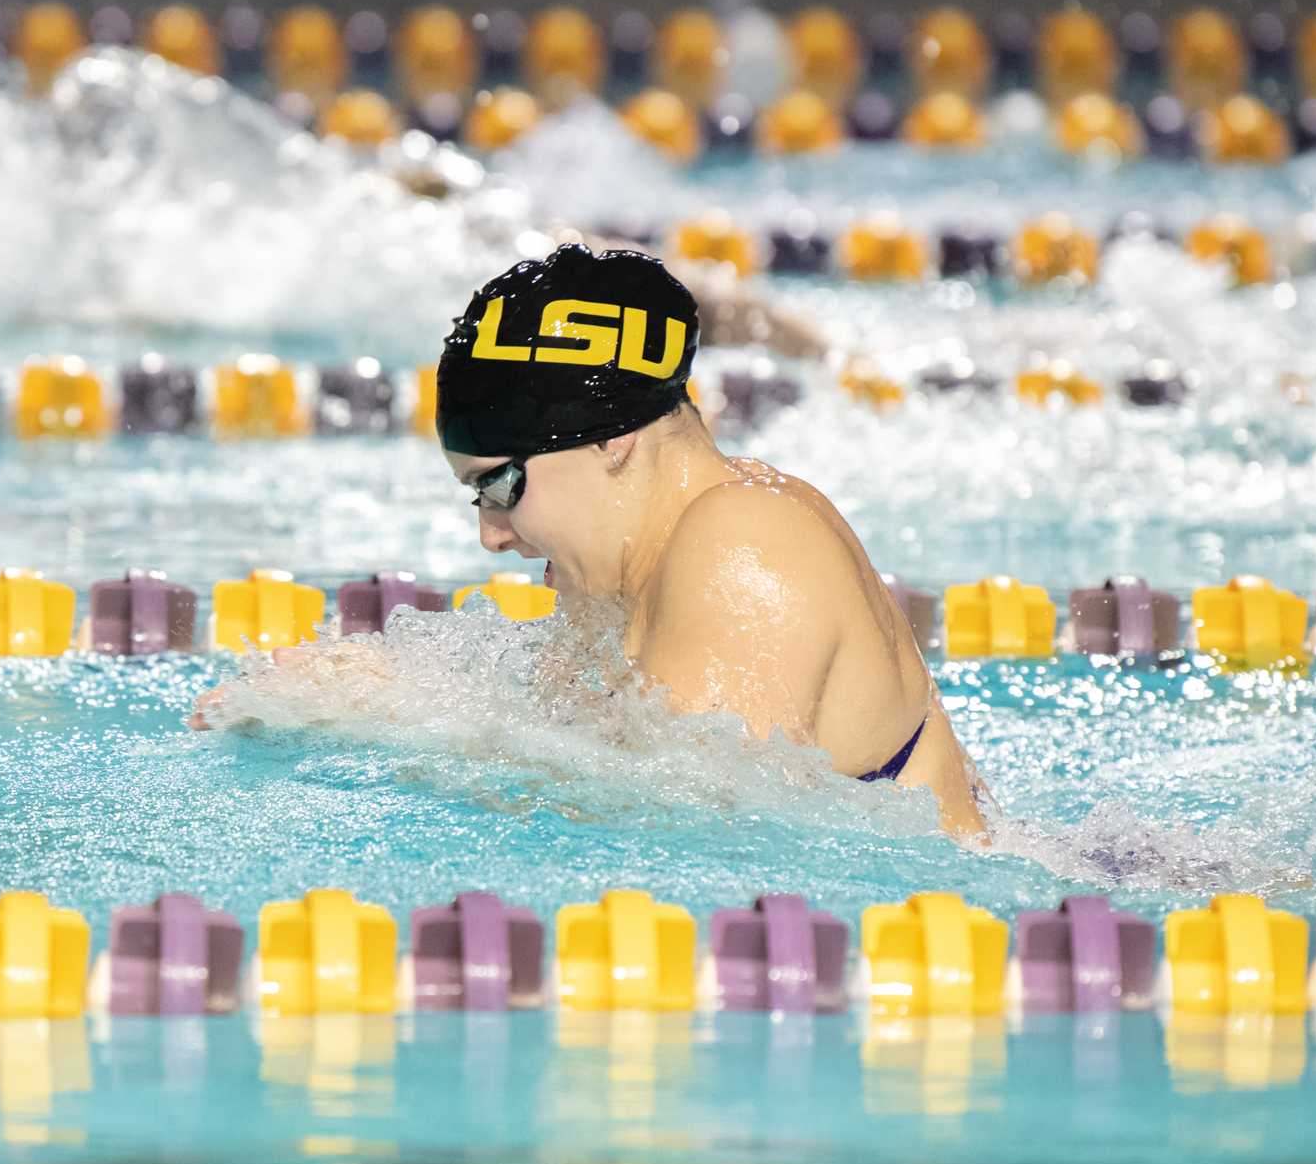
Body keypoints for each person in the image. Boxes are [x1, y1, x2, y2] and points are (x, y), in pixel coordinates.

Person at [196, 242, 989, 839]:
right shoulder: (630, 573)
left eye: (500, 485)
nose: (490, 533)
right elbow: (590, 749)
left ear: (609, 440)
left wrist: (392, 724)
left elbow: (682, 822)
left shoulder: (744, 539)